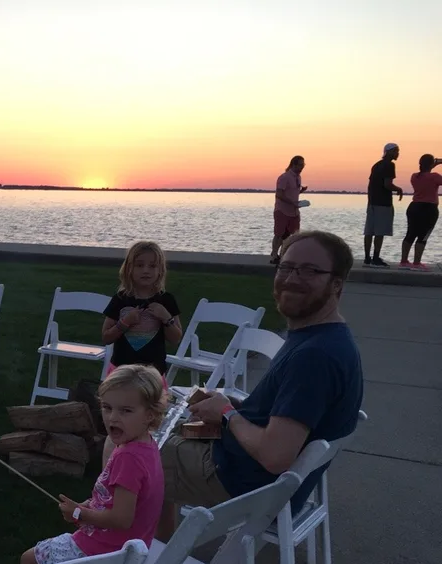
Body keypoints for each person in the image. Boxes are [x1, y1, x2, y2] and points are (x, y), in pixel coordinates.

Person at [158, 230, 363, 542]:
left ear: (337, 284)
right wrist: (235, 408)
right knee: (156, 421)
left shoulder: (314, 356)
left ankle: (140, 563)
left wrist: (227, 414)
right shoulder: (322, 337)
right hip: (248, 469)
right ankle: (156, 547)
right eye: (286, 267)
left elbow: (275, 455)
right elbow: (287, 416)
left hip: (242, 482)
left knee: (130, 448)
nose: (292, 278)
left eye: (309, 270)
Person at [21, 365, 165, 564]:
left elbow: (121, 519)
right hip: (129, 544)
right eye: (107, 408)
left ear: (150, 414)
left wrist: (80, 514)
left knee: (29, 560)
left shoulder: (128, 457)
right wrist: (87, 505)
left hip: (108, 551)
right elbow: (114, 498)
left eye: (126, 410)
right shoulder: (144, 445)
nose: (113, 418)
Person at [101, 240, 184, 380]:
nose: (146, 270)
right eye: (139, 265)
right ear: (129, 269)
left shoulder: (166, 300)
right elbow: (106, 337)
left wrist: (166, 318)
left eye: (152, 266)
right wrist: (125, 322)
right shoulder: (120, 299)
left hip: (154, 373)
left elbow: (175, 338)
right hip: (122, 371)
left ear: (160, 270)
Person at [364, 143, 404, 268]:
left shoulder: (376, 165)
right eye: (396, 151)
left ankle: (367, 258)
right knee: (379, 232)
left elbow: (370, 185)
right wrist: (399, 189)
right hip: (383, 203)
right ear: (389, 152)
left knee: (369, 231)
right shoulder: (390, 165)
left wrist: (370, 200)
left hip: (372, 202)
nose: (398, 154)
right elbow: (387, 184)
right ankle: (376, 258)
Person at [400, 153, 442, 270]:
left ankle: (404, 261)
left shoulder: (414, 176)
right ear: (432, 164)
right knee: (423, 236)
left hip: (414, 207)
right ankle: (416, 263)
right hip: (429, 209)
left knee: (410, 234)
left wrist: (433, 163)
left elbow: (425, 174)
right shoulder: (435, 176)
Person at [270, 156, 307, 264]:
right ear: (293, 164)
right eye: (300, 165)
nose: (302, 167)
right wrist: (292, 202)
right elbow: (279, 194)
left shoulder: (298, 177)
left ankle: (284, 255)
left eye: (303, 165)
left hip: (294, 212)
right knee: (279, 234)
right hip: (282, 211)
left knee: (293, 235)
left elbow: (291, 193)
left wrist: (300, 192)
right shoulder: (284, 177)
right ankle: (274, 255)